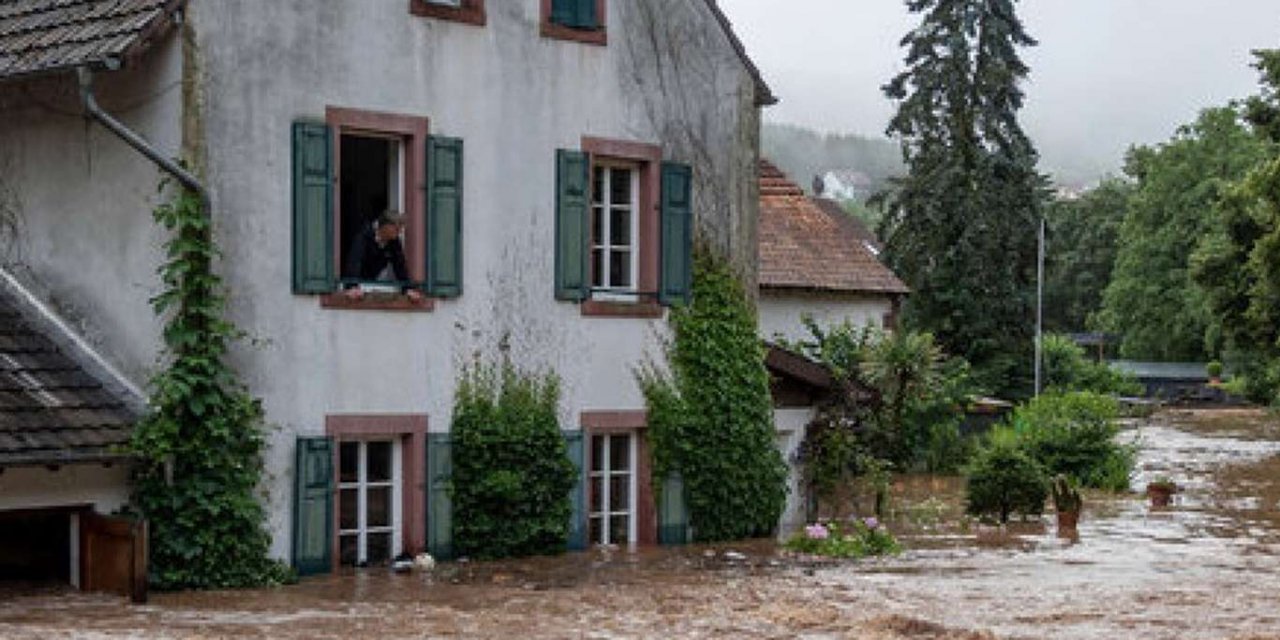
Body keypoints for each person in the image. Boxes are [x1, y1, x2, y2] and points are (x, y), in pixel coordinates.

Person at [343, 211, 423, 301]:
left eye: (401, 229)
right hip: (358, 284)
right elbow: (354, 262)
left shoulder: (394, 241)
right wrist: (352, 286)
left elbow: (399, 265)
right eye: (397, 229)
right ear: (386, 226)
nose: (399, 232)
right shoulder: (363, 235)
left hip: (372, 283)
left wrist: (408, 289)